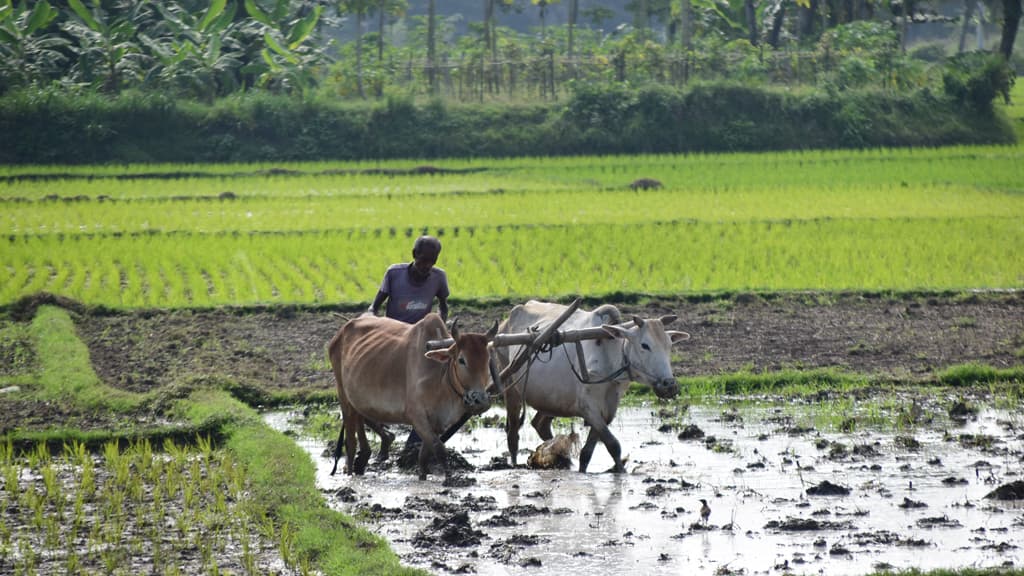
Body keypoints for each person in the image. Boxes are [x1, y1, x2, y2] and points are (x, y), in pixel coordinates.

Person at [368, 235, 454, 451]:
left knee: (435, 382)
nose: (427, 266)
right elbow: (375, 305)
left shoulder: (438, 277)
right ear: (414, 255)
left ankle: (422, 432)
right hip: (393, 339)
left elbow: (443, 305)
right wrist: (370, 319)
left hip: (420, 341)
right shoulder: (394, 274)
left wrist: (442, 323)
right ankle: (382, 430)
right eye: (424, 260)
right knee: (377, 388)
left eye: (432, 261)